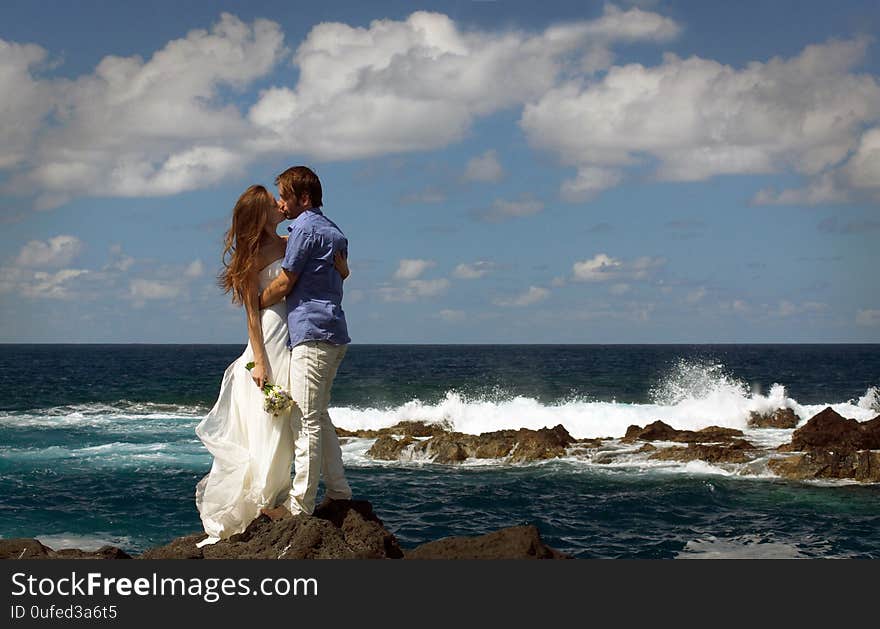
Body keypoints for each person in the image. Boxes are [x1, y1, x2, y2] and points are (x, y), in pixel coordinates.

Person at [194, 184, 346, 545]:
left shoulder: (293, 239)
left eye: (280, 200)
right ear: (259, 215)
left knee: (293, 419)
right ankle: (267, 499)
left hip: (294, 334)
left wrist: (342, 268)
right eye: (271, 204)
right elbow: (251, 313)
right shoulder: (252, 254)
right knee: (273, 420)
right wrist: (259, 361)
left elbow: (317, 266)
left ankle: (287, 496)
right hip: (271, 337)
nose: (279, 205)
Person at [258, 166, 353, 517]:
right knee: (320, 416)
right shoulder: (334, 231)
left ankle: (299, 507)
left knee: (306, 420)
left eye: (285, 196)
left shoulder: (305, 230)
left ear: (304, 198)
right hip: (333, 333)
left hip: (311, 335)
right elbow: (339, 272)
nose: (281, 203)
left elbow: (286, 282)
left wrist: (254, 302)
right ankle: (340, 492)